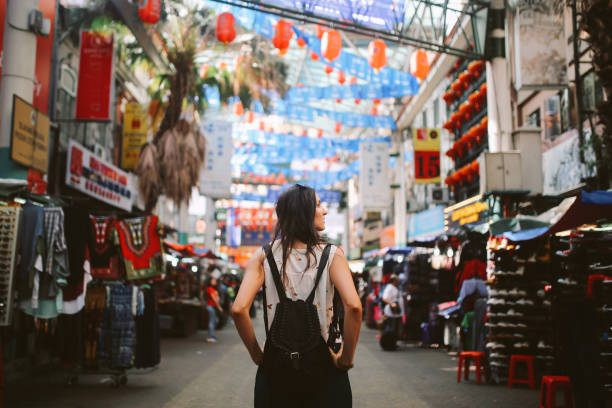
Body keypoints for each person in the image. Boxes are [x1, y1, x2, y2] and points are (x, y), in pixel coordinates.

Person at [231, 184, 362, 408]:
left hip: (276, 368)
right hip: (326, 369)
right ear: (303, 213)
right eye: (319, 205)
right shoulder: (332, 255)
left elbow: (238, 309)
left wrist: (257, 355)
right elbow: (354, 307)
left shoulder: (263, 256)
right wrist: (345, 359)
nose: (325, 211)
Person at [205, 277, 223, 343]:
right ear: (210, 281)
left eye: (215, 280)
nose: (215, 281)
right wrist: (219, 307)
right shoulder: (209, 289)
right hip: (210, 307)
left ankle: (210, 335)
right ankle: (210, 337)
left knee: (215, 321)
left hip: (213, 307)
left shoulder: (213, 289)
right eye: (213, 280)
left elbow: (217, 298)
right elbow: (215, 299)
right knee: (212, 322)